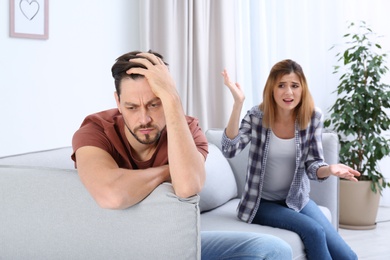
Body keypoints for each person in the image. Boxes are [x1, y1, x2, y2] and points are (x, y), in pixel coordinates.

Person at [71, 50, 293, 259]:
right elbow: (112, 195)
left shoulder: (187, 128)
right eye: (132, 107)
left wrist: (172, 101)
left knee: (274, 249)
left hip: (175, 244)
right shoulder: (96, 130)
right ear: (118, 102)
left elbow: (188, 185)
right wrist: (168, 172)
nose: (144, 119)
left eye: (154, 104)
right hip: (123, 249)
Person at [221, 59, 360, 260]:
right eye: (282, 85)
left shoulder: (312, 117)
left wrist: (330, 169)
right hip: (261, 203)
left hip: (296, 199)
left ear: (302, 89)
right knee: (314, 231)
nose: (289, 93)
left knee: (348, 257)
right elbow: (229, 149)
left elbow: (313, 165)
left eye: (294, 86)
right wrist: (237, 104)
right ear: (272, 89)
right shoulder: (257, 117)